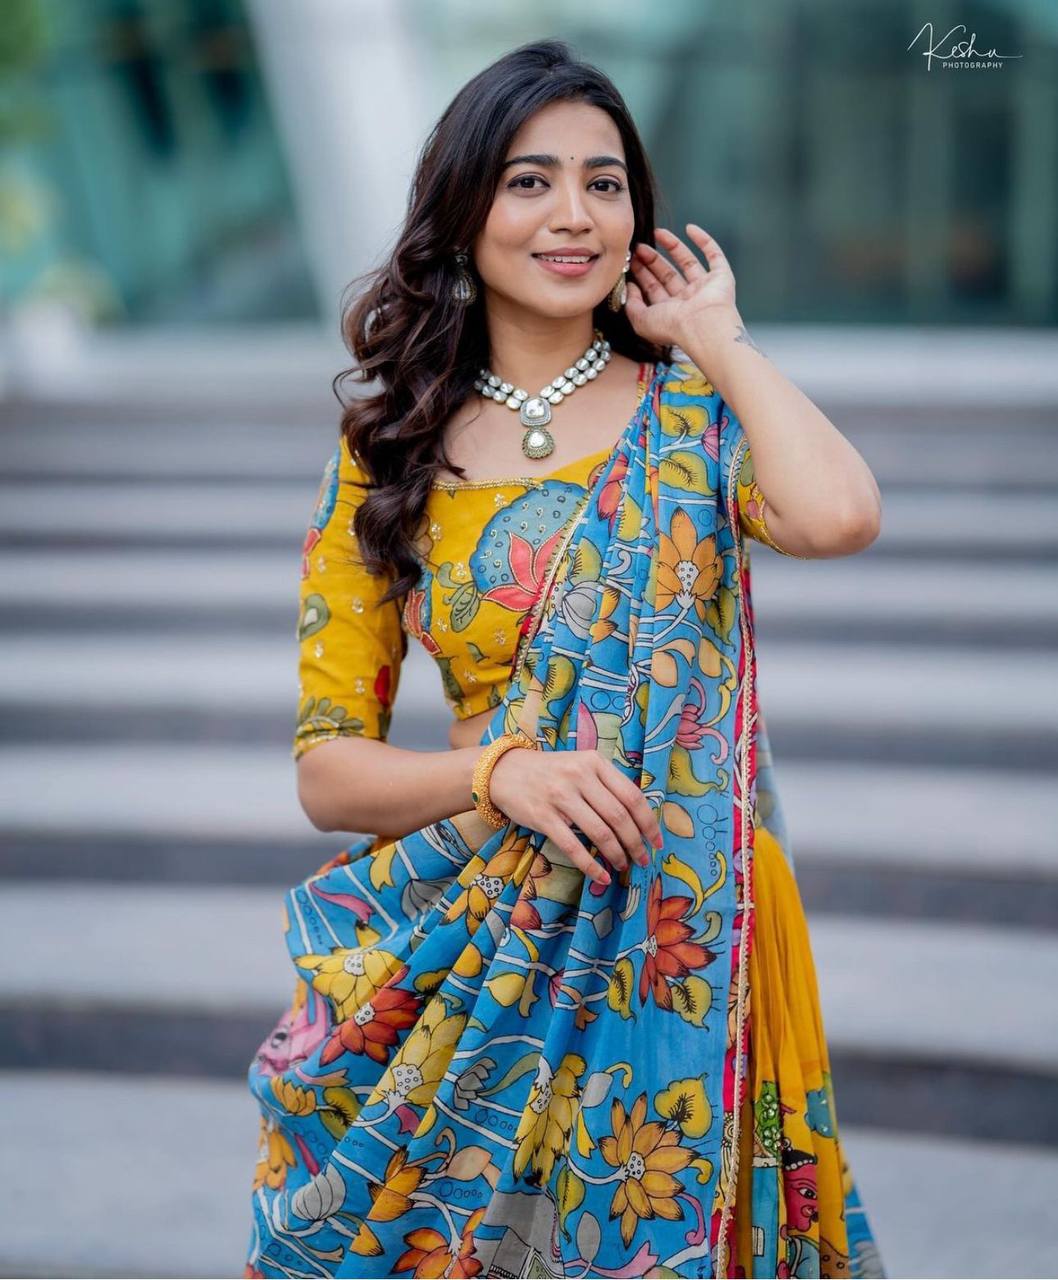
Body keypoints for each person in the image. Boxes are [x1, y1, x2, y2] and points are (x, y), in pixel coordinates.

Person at [245, 38, 887, 1280]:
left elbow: (839, 515)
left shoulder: (694, 415)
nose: (573, 215)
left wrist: (718, 341)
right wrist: (501, 772)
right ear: (465, 204)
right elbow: (327, 770)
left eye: (604, 181)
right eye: (530, 180)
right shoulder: (391, 447)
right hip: (484, 945)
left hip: (686, 930)